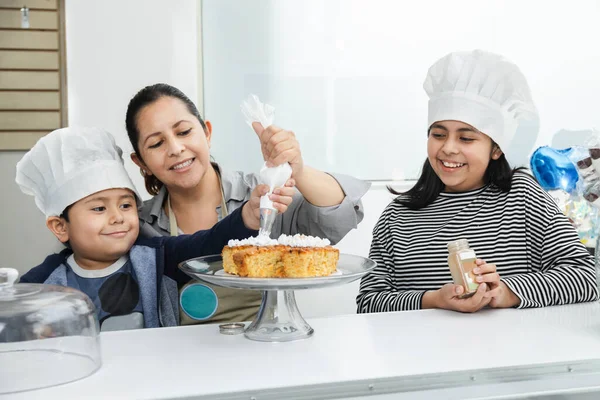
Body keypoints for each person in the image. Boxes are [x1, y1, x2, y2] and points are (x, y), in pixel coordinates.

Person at [357, 50, 599, 313]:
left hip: (509, 352)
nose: (448, 148)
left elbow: (586, 278)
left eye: (466, 138)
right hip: (421, 352)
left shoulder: (522, 196)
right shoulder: (398, 216)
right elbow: (369, 303)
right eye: (438, 134)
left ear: (496, 149)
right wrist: (433, 300)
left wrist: (506, 292)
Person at [125, 83, 371, 324]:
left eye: (184, 132)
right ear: (141, 163)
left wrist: (298, 169)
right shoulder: (137, 224)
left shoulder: (262, 194)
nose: (176, 148)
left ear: (207, 132)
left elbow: (339, 214)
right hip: (179, 359)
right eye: (157, 144)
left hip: (266, 354)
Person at [16, 127, 292, 330]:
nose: (117, 217)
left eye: (125, 206)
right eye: (99, 208)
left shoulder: (157, 256)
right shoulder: (43, 282)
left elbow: (208, 243)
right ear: (60, 227)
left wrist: (247, 215)